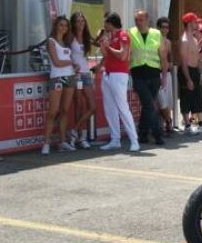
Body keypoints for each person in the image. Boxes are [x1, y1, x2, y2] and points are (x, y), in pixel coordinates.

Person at [98, 12, 140, 152]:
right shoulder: (111, 36)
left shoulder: (123, 34)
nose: (104, 25)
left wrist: (108, 47)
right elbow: (107, 55)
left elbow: (123, 56)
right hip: (108, 74)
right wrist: (103, 45)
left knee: (122, 108)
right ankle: (115, 139)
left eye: (106, 22)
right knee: (110, 109)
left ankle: (134, 141)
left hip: (118, 75)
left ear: (111, 23)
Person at [129, 10, 169, 145]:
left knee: (147, 106)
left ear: (147, 20)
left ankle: (143, 134)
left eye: (141, 20)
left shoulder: (156, 34)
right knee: (150, 105)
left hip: (154, 75)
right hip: (138, 75)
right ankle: (158, 134)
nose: (138, 22)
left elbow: (163, 56)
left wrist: (164, 76)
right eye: (136, 20)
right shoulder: (130, 32)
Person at [42, 15, 78, 155]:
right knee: (53, 111)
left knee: (64, 110)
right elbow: (56, 62)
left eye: (66, 25)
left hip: (70, 77)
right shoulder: (51, 41)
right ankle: (46, 143)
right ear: (56, 26)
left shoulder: (66, 42)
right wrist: (71, 62)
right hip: (57, 78)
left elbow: (68, 59)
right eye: (61, 25)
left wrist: (74, 66)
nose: (64, 28)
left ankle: (62, 142)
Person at [180, 12, 202, 134]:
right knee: (186, 98)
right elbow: (183, 62)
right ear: (189, 23)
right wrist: (188, 79)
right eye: (195, 22)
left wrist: (200, 74)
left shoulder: (194, 39)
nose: (197, 24)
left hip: (195, 71)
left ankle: (200, 124)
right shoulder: (184, 40)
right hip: (187, 71)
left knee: (197, 98)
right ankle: (187, 126)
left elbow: (198, 59)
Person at [68, 11, 95, 149]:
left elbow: (96, 44)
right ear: (73, 23)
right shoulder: (70, 36)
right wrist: (73, 64)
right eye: (78, 21)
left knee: (92, 107)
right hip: (76, 75)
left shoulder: (86, 36)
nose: (81, 23)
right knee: (79, 105)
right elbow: (65, 53)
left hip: (86, 74)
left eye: (82, 20)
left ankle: (74, 131)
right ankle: (81, 137)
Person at [155, 17, 174, 135]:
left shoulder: (168, 42)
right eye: (162, 27)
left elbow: (170, 57)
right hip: (157, 73)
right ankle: (167, 122)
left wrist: (170, 64)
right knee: (161, 102)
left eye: (167, 27)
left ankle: (167, 124)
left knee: (168, 101)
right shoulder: (154, 41)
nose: (165, 30)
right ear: (158, 28)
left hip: (167, 74)